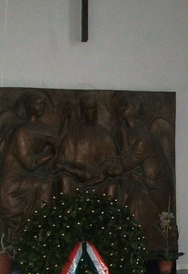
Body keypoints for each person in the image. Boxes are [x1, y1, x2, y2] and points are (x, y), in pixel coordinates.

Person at [0, 92, 59, 245]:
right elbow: (29, 164)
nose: (42, 107)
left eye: (43, 104)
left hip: (27, 178)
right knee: (45, 184)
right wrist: (50, 154)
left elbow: (57, 141)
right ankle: (41, 230)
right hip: (11, 184)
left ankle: (45, 230)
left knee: (52, 179)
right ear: (29, 107)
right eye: (38, 104)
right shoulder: (21, 131)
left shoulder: (42, 128)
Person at [113, 92, 174, 251]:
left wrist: (123, 137)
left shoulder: (142, 137)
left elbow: (127, 163)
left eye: (126, 105)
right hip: (140, 183)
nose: (122, 108)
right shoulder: (132, 132)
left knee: (130, 217)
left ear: (134, 110)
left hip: (152, 189)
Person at [57, 94, 122, 198]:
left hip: (99, 181)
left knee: (112, 186)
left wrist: (100, 172)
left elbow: (113, 163)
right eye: (86, 109)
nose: (89, 112)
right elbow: (61, 160)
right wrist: (76, 170)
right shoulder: (73, 135)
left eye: (91, 109)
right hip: (76, 180)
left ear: (96, 110)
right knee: (64, 179)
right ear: (82, 110)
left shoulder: (105, 136)